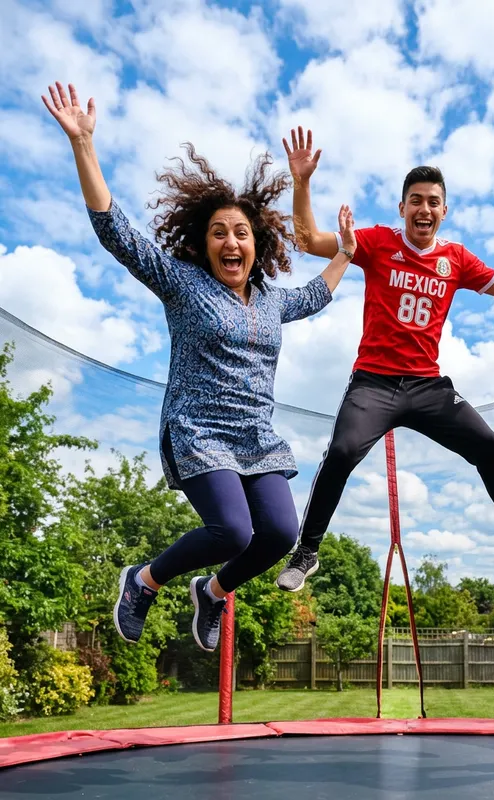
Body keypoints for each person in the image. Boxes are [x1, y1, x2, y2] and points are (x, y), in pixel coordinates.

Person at [43, 83, 356, 652]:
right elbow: (118, 234)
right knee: (233, 530)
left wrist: (344, 254)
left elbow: (314, 296)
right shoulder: (185, 286)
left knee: (280, 534)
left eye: (241, 233)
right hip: (201, 430)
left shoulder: (269, 301)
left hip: (255, 437)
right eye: (219, 233)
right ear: (205, 243)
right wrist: (84, 146)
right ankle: (141, 582)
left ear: (256, 244)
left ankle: (211, 592)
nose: (231, 242)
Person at [275, 127, 494, 593]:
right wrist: (302, 182)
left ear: (443, 211)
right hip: (374, 382)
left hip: (428, 387)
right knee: (344, 451)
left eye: (433, 201)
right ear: (402, 208)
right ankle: (307, 550)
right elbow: (308, 239)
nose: (424, 209)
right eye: (415, 200)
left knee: (489, 448)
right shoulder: (375, 242)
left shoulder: (456, 259)